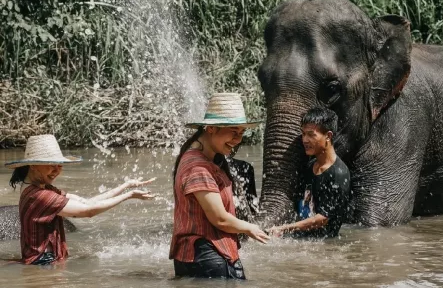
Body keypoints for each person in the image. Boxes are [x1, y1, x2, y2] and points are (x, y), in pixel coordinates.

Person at [6, 134, 154, 265]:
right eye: (52, 165)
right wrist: (129, 196)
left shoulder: (39, 188)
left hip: (43, 261)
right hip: (44, 262)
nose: (57, 170)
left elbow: (87, 202)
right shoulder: (40, 195)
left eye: (59, 165)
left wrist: (125, 186)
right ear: (33, 165)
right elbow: (88, 211)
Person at [170, 93, 269, 279]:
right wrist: (250, 228)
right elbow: (220, 219)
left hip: (206, 256)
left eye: (241, 133)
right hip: (208, 257)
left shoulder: (208, 160)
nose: (238, 139)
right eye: (233, 131)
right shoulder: (198, 167)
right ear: (211, 129)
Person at [267, 107, 351, 240]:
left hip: (324, 244)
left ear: (328, 136)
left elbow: (322, 219)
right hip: (302, 238)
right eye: (303, 134)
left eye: (311, 135)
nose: (305, 140)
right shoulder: (310, 166)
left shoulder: (339, 174)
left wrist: (284, 228)